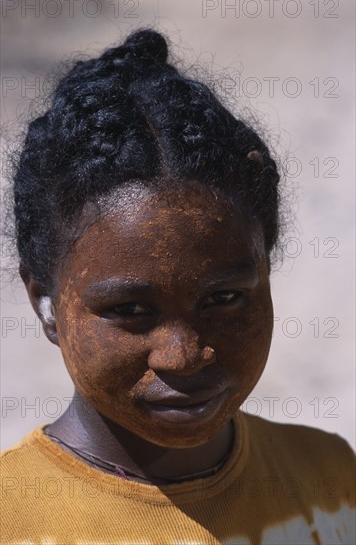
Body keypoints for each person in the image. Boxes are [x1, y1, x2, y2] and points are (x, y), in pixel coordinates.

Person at [1, 28, 354, 545]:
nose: (184, 355)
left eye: (223, 298)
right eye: (130, 308)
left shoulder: (330, 477)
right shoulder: (15, 519)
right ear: (46, 304)